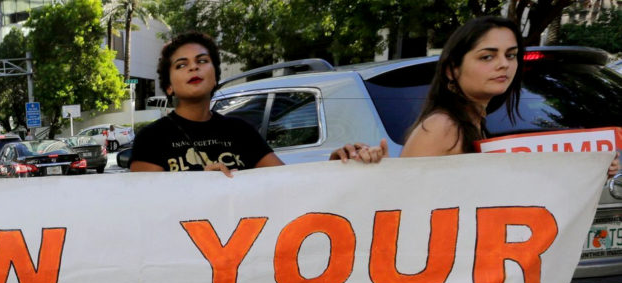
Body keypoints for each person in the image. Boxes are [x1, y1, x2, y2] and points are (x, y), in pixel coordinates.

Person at [131, 31, 386, 176]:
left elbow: (285, 184)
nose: (194, 67)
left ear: (215, 74)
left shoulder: (239, 130)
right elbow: (145, 207)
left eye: (202, 60)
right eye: (181, 65)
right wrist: (198, 187)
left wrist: (335, 166)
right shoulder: (152, 138)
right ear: (169, 86)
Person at [401, 14, 621, 177]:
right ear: (451, 70)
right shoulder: (442, 126)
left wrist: (593, 171)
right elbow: (401, 202)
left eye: (511, 55)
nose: (504, 64)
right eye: (487, 57)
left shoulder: (474, 123)